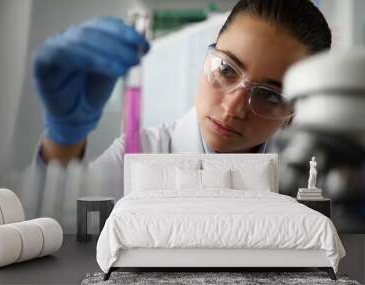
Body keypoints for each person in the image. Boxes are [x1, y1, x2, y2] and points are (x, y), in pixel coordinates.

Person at [30, 0, 332, 229]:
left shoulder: (308, 185)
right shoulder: (138, 153)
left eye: (269, 95)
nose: (232, 108)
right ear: (208, 56)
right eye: (226, 69)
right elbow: (53, 229)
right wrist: (64, 139)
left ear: (294, 112)